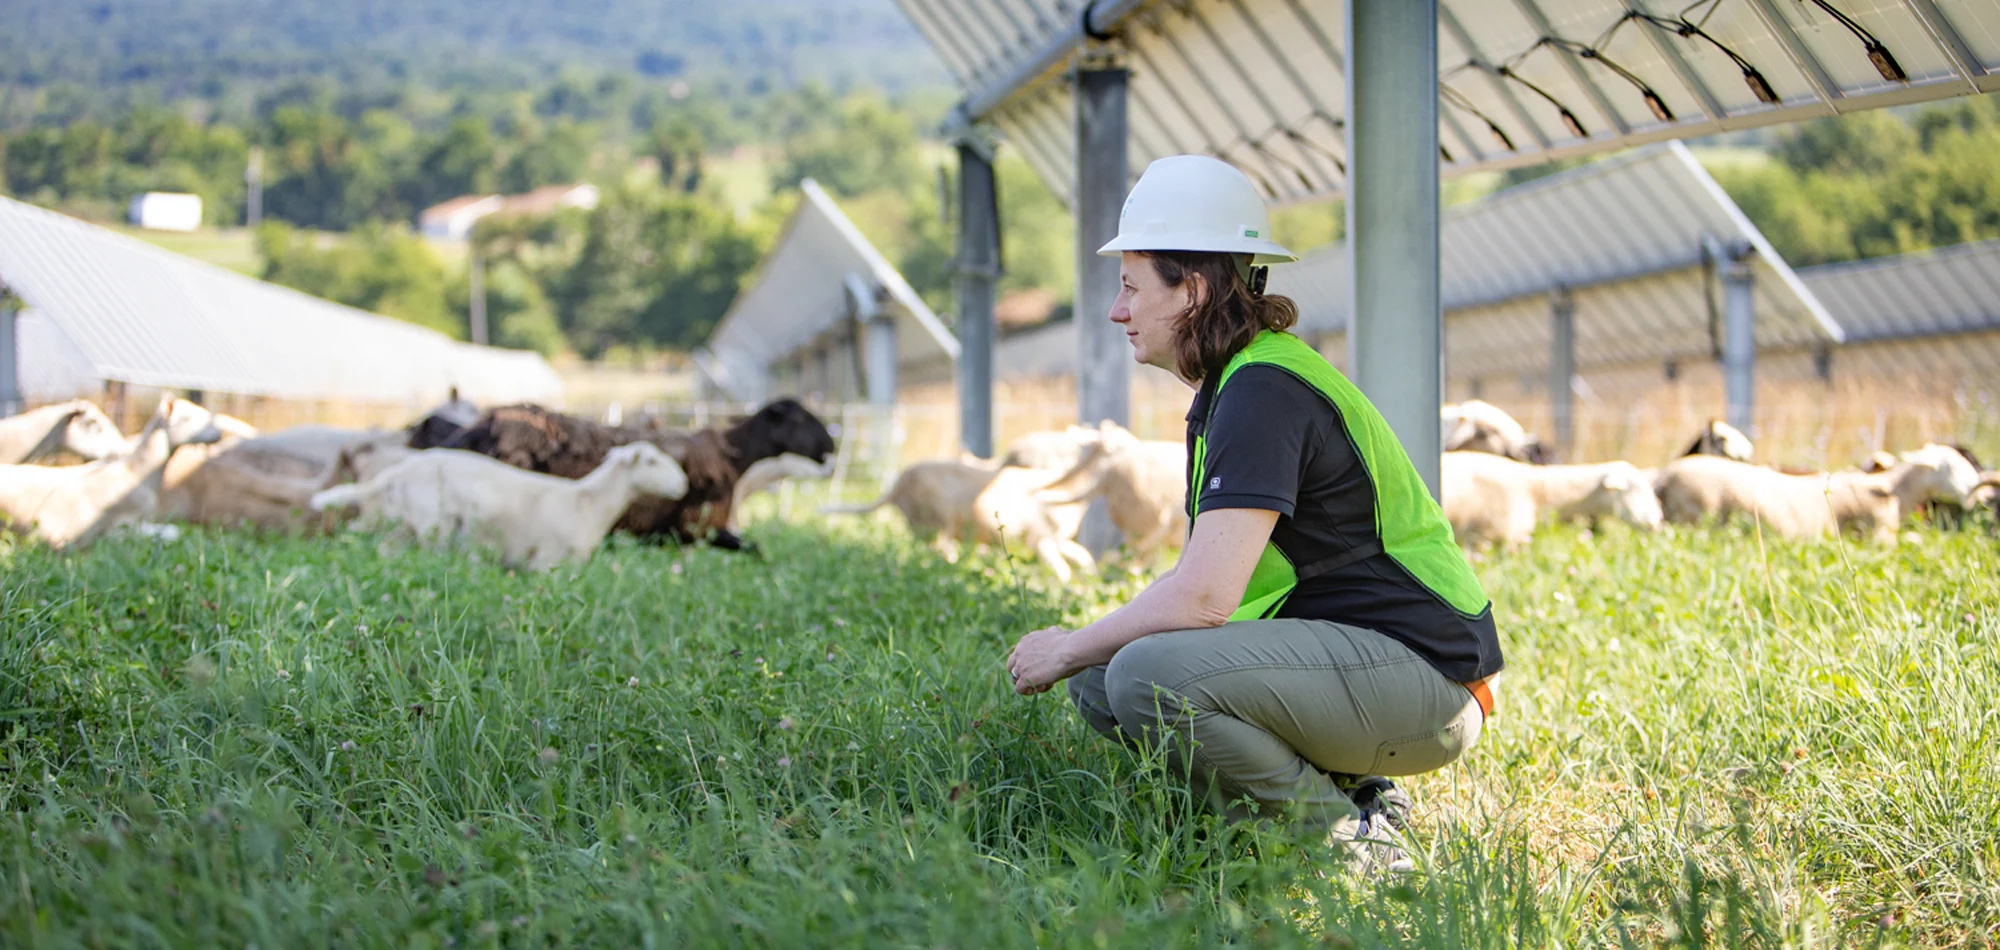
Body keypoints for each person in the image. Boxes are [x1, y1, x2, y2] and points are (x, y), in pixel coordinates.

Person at [1004, 155, 1502, 873]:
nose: (1117, 310)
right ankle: (1345, 798)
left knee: (1138, 677)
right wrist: (1085, 651)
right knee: (1103, 677)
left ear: (1194, 290)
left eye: (1130, 285)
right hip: (1374, 667)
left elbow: (1204, 599)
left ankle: (1348, 843)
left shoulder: (1263, 391)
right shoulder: (1240, 380)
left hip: (1430, 687)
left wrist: (1066, 643)